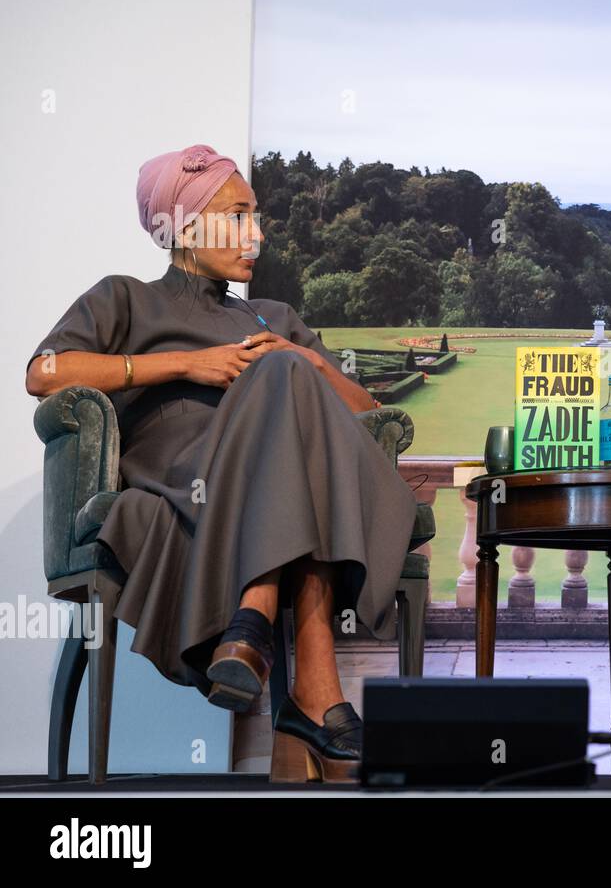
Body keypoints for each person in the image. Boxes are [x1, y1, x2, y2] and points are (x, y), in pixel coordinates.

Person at [25, 144, 418, 783]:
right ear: (180, 226)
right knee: (286, 380)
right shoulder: (124, 299)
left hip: (276, 481)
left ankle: (255, 626)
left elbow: (371, 414)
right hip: (185, 474)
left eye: (255, 217)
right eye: (236, 217)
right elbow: (43, 373)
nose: (255, 235)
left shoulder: (275, 319)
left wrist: (313, 363)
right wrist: (183, 364)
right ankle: (311, 685)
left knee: (290, 373)